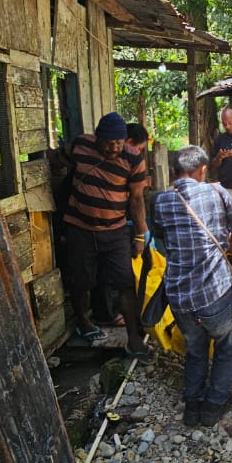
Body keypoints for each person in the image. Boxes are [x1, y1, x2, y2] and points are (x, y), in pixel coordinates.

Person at [151, 146, 232, 427]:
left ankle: (192, 406)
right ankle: (214, 404)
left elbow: (161, 241)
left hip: (179, 295)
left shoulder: (160, 201)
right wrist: (221, 248)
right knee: (226, 346)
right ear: (202, 170)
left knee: (195, 348)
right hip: (214, 292)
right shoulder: (217, 193)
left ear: (174, 171)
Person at [61, 112, 149, 356]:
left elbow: (137, 198)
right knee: (81, 280)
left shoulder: (133, 159)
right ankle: (83, 322)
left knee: (124, 282)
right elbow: (60, 158)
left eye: (119, 142)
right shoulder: (81, 145)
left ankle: (134, 337)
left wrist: (141, 235)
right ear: (98, 139)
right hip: (80, 228)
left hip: (116, 231)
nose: (114, 147)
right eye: (110, 143)